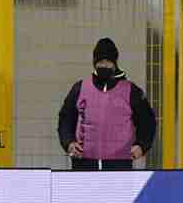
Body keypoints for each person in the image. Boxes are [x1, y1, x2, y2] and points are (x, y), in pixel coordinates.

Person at [57, 37, 156, 170]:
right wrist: (69, 143)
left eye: (108, 62)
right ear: (94, 63)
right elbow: (65, 119)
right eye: (101, 62)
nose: (104, 66)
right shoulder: (80, 88)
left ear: (115, 64)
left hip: (119, 165)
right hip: (84, 164)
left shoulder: (130, 90)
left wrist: (141, 146)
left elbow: (147, 121)